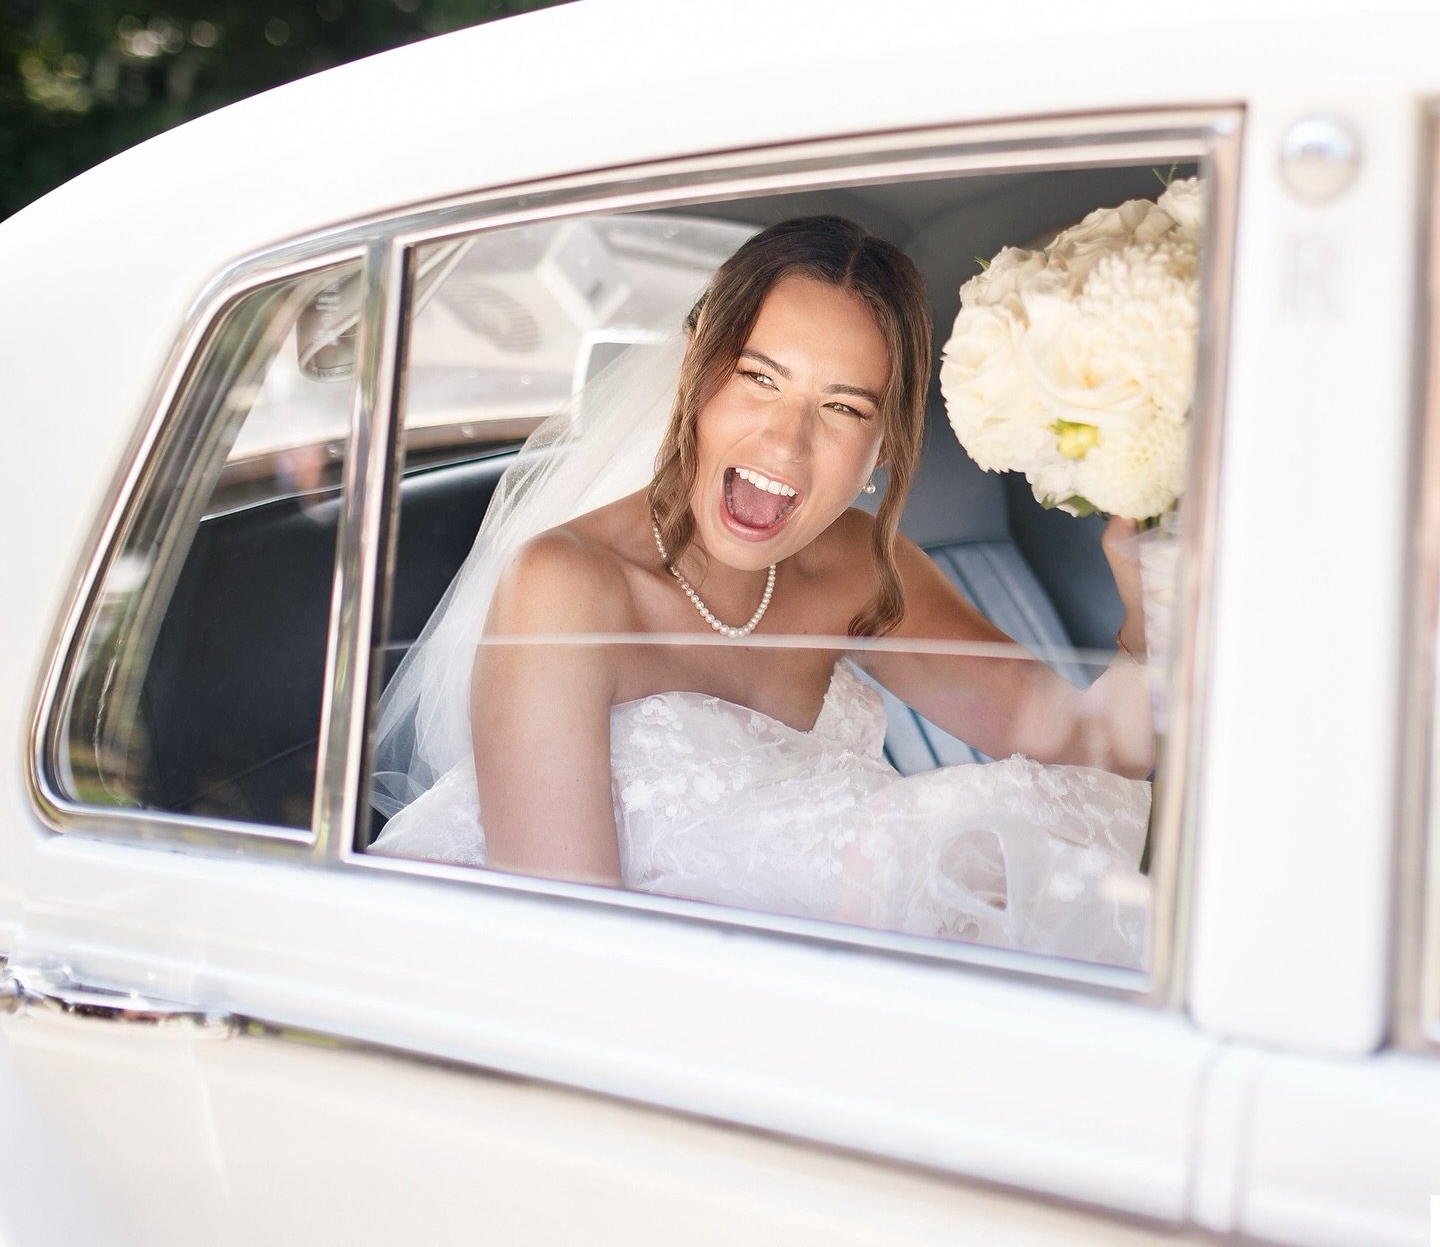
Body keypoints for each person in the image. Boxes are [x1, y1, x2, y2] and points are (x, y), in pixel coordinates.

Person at [371, 216, 1155, 967]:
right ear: (694, 370)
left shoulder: (854, 563)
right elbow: (567, 944)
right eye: (758, 378)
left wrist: (1146, 612)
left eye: (842, 407)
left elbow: (1091, 749)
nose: (787, 439)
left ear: (882, 445)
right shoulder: (567, 587)